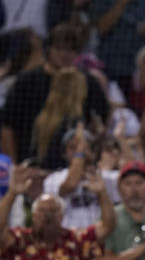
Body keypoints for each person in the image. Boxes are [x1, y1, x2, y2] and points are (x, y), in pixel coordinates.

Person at [0, 24, 109, 164]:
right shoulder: (27, 81)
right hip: (30, 162)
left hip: (74, 167)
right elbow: (7, 126)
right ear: (48, 49)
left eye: (70, 49)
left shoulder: (88, 82)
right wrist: (13, 165)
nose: (64, 54)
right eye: (59, 48)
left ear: (78, 53)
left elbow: (101, 121)